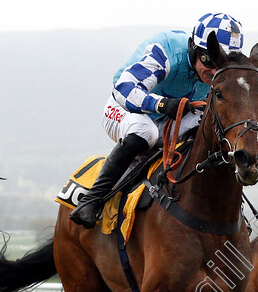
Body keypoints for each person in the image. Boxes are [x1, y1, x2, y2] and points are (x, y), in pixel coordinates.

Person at [69, 13, 245, 228]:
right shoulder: (167, 50)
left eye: (222, 64)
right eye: (209, 60)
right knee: (146, 132)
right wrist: (163, 104)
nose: (213, 71)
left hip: (174, 118)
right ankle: (92, 200)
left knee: (210, 135)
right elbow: (124, 90)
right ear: (193, 47)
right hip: (124, 108)